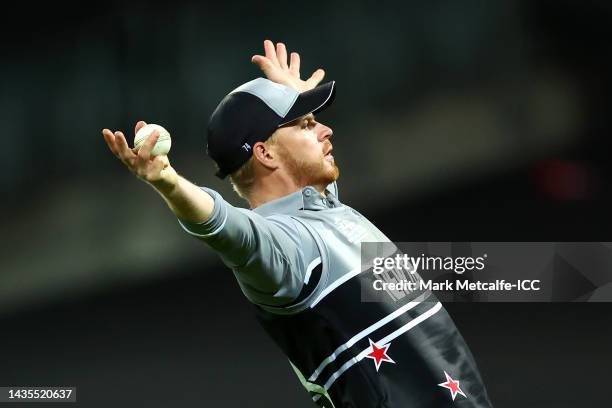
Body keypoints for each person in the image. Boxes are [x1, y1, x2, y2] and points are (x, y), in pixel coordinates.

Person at [102, 40, 493, 408]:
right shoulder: (285, 247)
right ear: (266, 153)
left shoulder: (323, 208)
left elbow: (305, 183)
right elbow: (222, 226)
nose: (325, 130)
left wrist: (291, 97)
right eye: (306, 124)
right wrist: (168, 181)